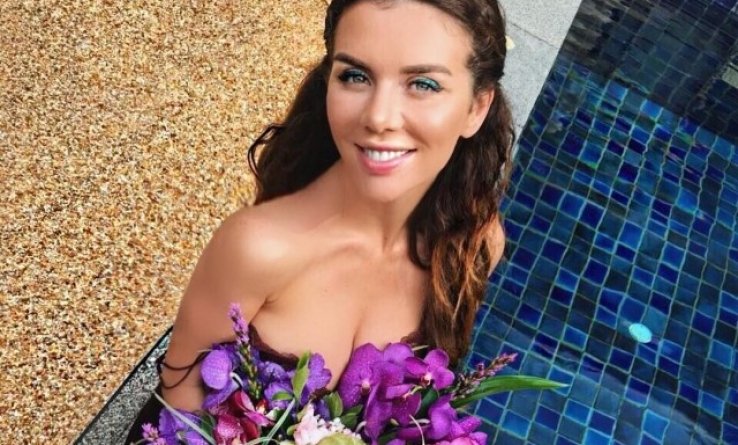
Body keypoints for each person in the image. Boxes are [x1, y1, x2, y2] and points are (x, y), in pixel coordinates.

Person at [125, 0, 514, 441]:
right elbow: (180, 417)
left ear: (476, 108)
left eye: (423, 84)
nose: (379, 117)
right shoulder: (255, 248)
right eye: (355, 76)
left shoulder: (472, 245)